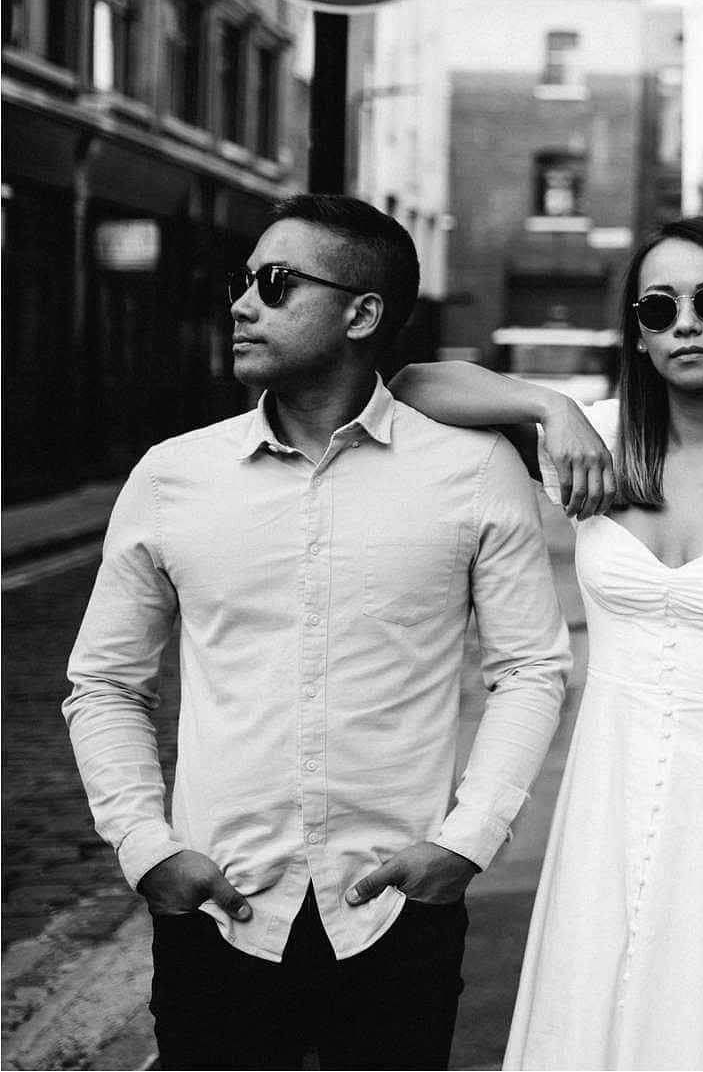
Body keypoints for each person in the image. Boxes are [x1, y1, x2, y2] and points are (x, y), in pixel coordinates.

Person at [63, 194, 571, 1071]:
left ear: (362, 312)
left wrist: (466, 842)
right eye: (244, 283)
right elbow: (105, 682)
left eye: (275, 282)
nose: (242, 304)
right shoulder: (172, 476)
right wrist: (148, 850)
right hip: (219, 910)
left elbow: (529, 667)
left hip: (394, 912)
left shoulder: (473, 471)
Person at [389, 217, 703, 1070]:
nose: (685, 322)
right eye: (659, 308)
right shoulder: (594, 443)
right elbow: (409, 385)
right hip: (609, 798)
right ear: (640, 335)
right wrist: (548, 404)